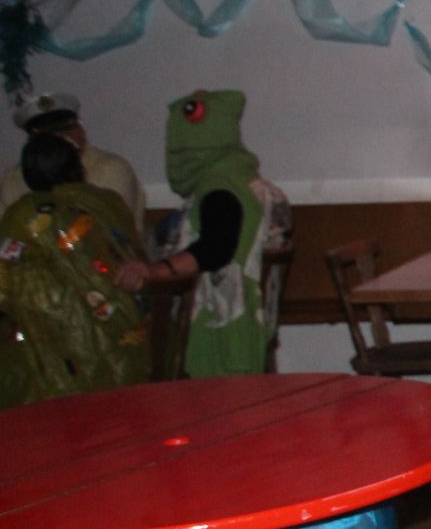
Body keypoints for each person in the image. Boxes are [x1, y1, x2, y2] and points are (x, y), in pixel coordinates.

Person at [116, 90, 289, 377]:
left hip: (220, 327)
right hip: (249, 317)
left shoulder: (220, 189)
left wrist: (154, 271)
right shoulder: (245, 178)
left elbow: (215, 249)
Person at [0, 134, 149, 407]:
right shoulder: (107, 202)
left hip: (58, 348)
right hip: (127, 336)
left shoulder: (23, 215)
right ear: (78, 168)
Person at [3, 91, 146, 227]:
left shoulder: (112, 170)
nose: (60, 139)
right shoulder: (13, 178)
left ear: (81, 131)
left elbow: (111, 231)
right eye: (49, 135)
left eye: (66, 131)